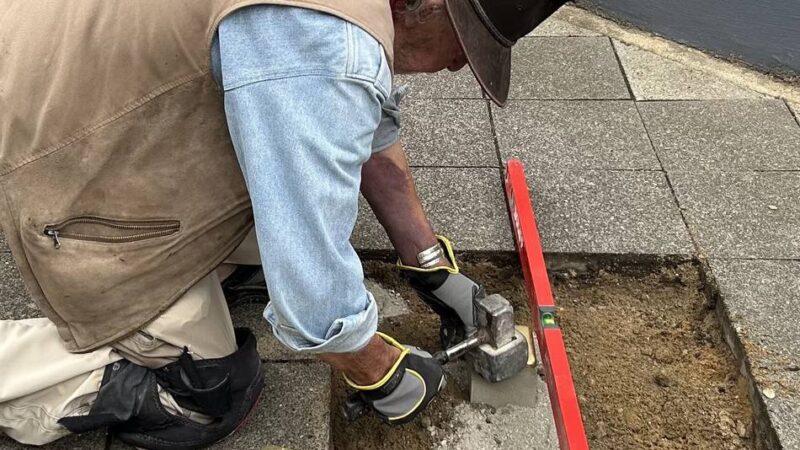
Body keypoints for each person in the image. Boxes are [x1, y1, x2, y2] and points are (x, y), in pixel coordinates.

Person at [0, 0, 564, 447]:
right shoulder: (319, 43)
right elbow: (310, 290)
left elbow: (370, 132)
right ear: (428, 5)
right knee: (211, 392)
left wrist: (429, 266)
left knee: (296, 203)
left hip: (98, 93)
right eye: (467, 44)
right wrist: (380, 370)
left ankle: (211, 269)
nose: (459, 66)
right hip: (58, 157)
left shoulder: (351, 18)